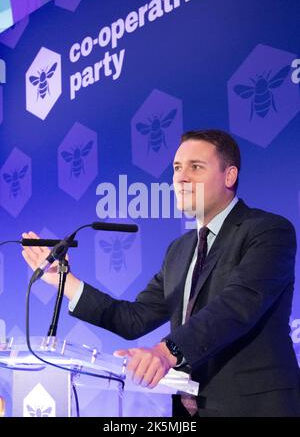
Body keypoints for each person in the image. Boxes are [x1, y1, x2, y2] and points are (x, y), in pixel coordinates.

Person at [22, 129, 300, 417]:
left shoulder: (269, 231)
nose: (181, 177)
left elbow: (238, 304)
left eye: (196, 167)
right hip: (188, 412)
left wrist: (167, 352)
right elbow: (133, 319)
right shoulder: (178, 251)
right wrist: (62, 279)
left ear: (229, 176)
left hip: (255, 407)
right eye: (177, 168)